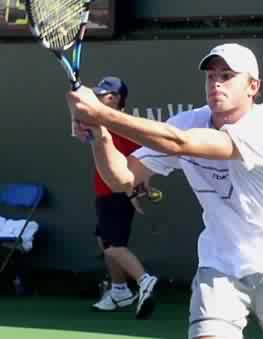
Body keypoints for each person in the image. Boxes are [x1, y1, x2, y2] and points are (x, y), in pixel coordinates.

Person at [67, 44, 263, 338]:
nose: (216, 82)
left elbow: (180, 144)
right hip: (220, 266)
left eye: (227, 75)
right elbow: (123, 178)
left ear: (253, 86)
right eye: (211, 75)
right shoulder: (189, 122)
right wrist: (100, 136)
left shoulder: (260, 129)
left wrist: (100, 113)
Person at [88, 76, 158, 319]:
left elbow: (139, 159)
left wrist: (135, 189)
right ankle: (120, 291)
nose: (99, 98)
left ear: (117, 99)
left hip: (117, 193)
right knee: (104, 241)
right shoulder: (101, 121)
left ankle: (144, 281)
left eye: (104, 94)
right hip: (104, 193)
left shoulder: (124, 126)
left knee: (113, 247)